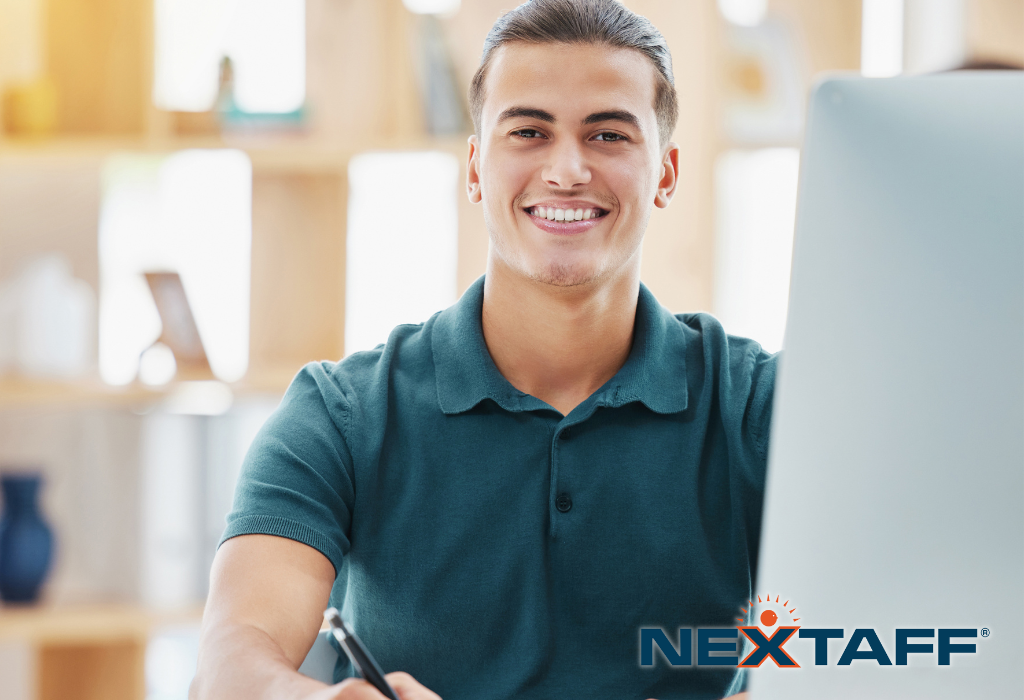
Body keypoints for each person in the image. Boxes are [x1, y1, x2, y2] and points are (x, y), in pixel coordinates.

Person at [190, 1, 774, 698]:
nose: (566, 170)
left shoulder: (757, 408)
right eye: (528, 131)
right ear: (474, 166)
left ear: (667, 173)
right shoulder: (341, 415)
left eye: (608, 135)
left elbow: (877, 641)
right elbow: (232, 660)